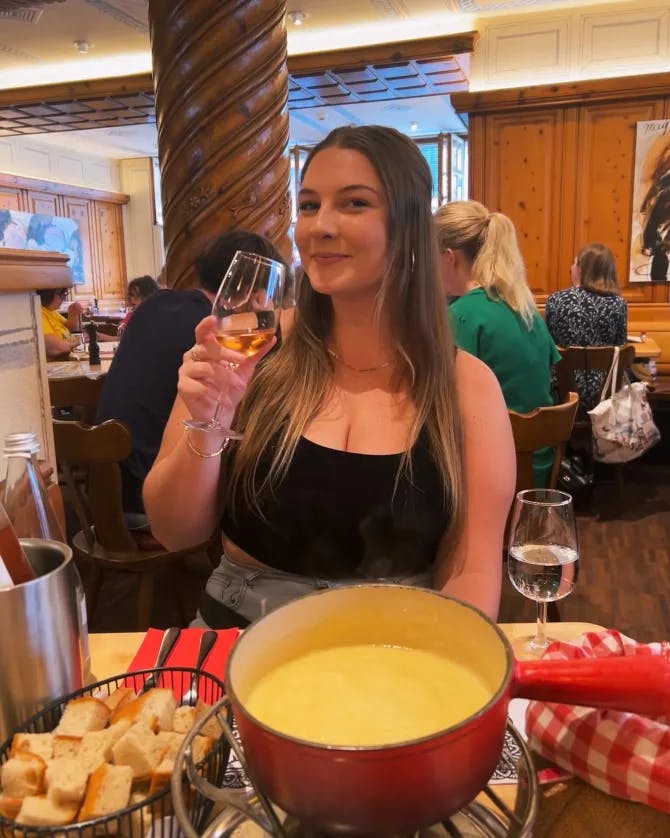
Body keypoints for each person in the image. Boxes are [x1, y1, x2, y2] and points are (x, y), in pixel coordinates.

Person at [143, 125, 515, 628]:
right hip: (241, 628)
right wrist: (210, 420)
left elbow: (469, 576)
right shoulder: (251, 348)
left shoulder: (466, 386)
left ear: (409, 228)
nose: (320, 225)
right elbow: (175, 531)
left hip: (393, 641)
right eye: (310, 205)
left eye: (355, 203)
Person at [95, 229, 286, 524]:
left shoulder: (153, 304)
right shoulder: (215, 331)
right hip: (151, 505)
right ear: (256, 293)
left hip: (104, 492)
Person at [434, 200, 560, 488]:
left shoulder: (461, 316)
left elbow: (445, 408)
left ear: (449, 257)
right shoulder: (524, 308)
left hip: (493, 475)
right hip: (538, 465)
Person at [545, 242, 628, 410]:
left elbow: (549, 346)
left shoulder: (556, 300)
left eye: (575, 263)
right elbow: (620, 345)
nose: (571, 268)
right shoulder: (619, 304)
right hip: (606, 390)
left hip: (563, 388)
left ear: (583, 269)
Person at [38, 287, 85, 359]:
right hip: (55, 366)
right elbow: (55, 349)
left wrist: (73, 313)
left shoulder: (52, 311)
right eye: (60, 295)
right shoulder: (40, 313)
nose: (63, 299)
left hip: (68, 360)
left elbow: (72, 330)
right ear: (47, 295)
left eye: (64, 295)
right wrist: (80, 340)